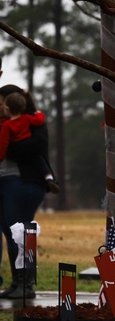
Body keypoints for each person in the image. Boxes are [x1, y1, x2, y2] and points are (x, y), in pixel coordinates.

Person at [0, 85, 53, 299]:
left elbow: (35, 146)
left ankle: (26, 283)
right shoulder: (6, 124)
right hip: (5, 184)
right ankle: (17, 281)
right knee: (9, 232)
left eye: (1, 101)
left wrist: (7, 142)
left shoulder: (30, 120)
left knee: (22, 232)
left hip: (24, 183)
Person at [0, 91, 59, 194]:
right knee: (40, 161)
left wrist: (1, 156)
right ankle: (49, 178)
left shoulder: (7, 125)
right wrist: (39, 113)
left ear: (7, 109)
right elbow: (39, 120)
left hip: (15, 150)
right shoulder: (26, 118)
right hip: (30, 147)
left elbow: (3, 142)